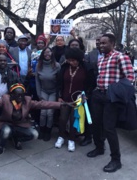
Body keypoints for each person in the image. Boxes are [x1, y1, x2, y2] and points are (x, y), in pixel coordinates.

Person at [0, 83, 64, 156]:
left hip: (20, 125)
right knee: (6, 131)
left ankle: (16, 139)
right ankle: (2, 145)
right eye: (17, 95)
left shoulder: (27, 101)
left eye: (22, 95)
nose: (20, 97)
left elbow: (44, 104)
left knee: (34, 134)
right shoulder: (5, 100)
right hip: (6, 124)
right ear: (11, 95)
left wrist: (62, 104)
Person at [87, 33, 135, 173]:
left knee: (109, 128)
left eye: (104, 43)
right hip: (98, 95)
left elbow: (130, 78)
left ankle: (116, 160)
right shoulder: (101, 60)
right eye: (99, 43)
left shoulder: (121, 57)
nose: (100, 45)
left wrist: (113, 91)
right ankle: (99, 148)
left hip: (111, 98)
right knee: (96, 124)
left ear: (112, 44)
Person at [55, 47, 96, 152]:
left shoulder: (86, 69)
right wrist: (59, 96)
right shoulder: (64, 67)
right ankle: (61, 137)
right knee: (63, 119)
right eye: (69, 60)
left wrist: (86, 95)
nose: (71, 62)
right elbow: (59, 83)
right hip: (64, 98)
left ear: (79, 59)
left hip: (78, 100)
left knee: (74, 120)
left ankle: (71, 139)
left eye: (73, 60)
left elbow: (91, 84)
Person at [35, 47, 61, 141]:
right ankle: (42, 130)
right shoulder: (39, 65)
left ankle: (48, 131)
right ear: (42, 54)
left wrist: (59, 94)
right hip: (43, 91)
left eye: (49, 52)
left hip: (53, 92)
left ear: (52, 53)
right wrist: (39, 94)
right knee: (43, 112)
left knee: (50, 112)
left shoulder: (57, 65)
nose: (47, 54)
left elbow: (60, 81)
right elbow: (37, 81)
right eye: (45, 52)